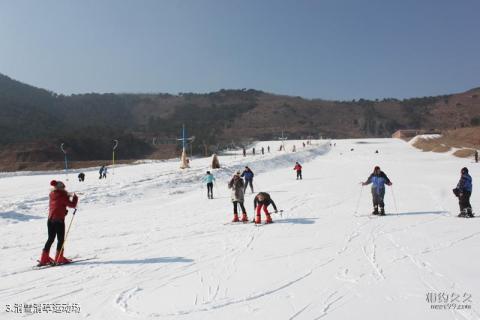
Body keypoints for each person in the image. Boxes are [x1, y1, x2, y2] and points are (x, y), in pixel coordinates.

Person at [38, 180, 78, 266]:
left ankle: (44, 258)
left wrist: (64, 211)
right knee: (60, 239)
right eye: (64, 187)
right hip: (59, 220)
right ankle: (59, 258)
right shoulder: (62, 195)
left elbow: (57, 205)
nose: (65, 189)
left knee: (50, 238)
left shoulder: (52, 194)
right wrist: (75, 198)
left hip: (50, 219)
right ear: (61, 188)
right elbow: (72, 205)